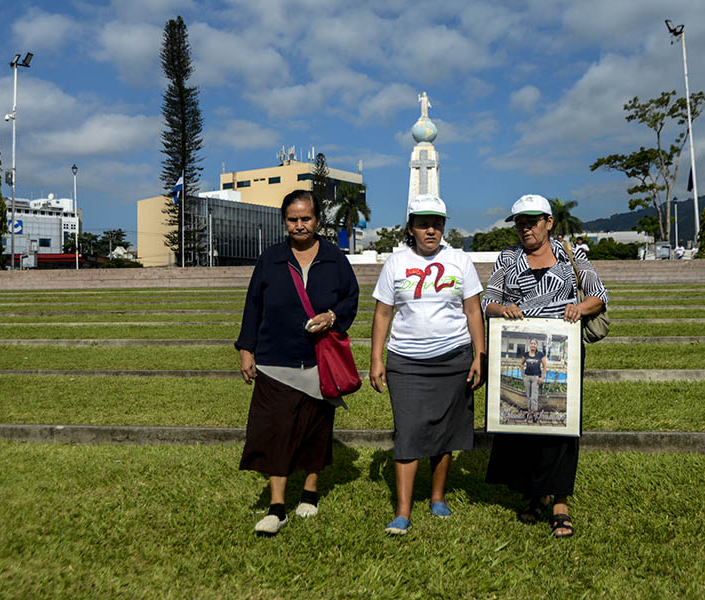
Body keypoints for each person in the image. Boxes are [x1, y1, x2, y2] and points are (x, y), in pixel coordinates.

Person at [482, 194, 608, 539]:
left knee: (562, 427)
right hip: (521, 353)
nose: (525, 228)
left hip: (562, 356)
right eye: (519, 223)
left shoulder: (572, 256)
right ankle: (534, 494)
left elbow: (600, 295)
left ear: (548, 222)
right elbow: (487, 301)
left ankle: (560, 504)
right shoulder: (508, 258)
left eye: (532, 222)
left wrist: (579, 309)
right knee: (525, 421)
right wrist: (502, 309)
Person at [235, 189, 359, 537]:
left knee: (315, 431)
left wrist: (333, 316)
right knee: (276, 432)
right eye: (293, 219)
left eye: (306, 218)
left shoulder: (335, 259)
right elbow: (253, 305)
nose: (300, 225)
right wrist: (247, 349)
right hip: (276, 360)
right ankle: (277, 507)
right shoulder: (271, 259)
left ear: (317, 220)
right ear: (284, 221)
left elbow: (351, 298)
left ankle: (310, 491)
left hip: (320, 360)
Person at [370, 194, 486, 535]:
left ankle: (437, 497)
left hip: (454, 358)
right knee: (408, 431)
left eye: (436, 224)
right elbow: (383, 313)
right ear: (411, 228)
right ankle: (403, 512)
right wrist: (377, 358)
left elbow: (472, 311)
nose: (430, 230)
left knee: (445, 430)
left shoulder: (460, 261)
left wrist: (479, 354)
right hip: (406, 362)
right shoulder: (396, 263)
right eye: (423, 224)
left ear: (444, 227)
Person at [520, 339, 546, 422]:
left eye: (534, 343)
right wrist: (523, 374)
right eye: (531, 343)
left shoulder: (540, 354)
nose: (533, 345)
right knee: (528, 396)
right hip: (527, 377)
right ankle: (529, 412)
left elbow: (545, 366)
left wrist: (541, 377)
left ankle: (535, 414)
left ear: (537, 345)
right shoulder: (526, 354)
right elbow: (521, 364)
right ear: (529, 345)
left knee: (534, 397)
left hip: (536, 378)